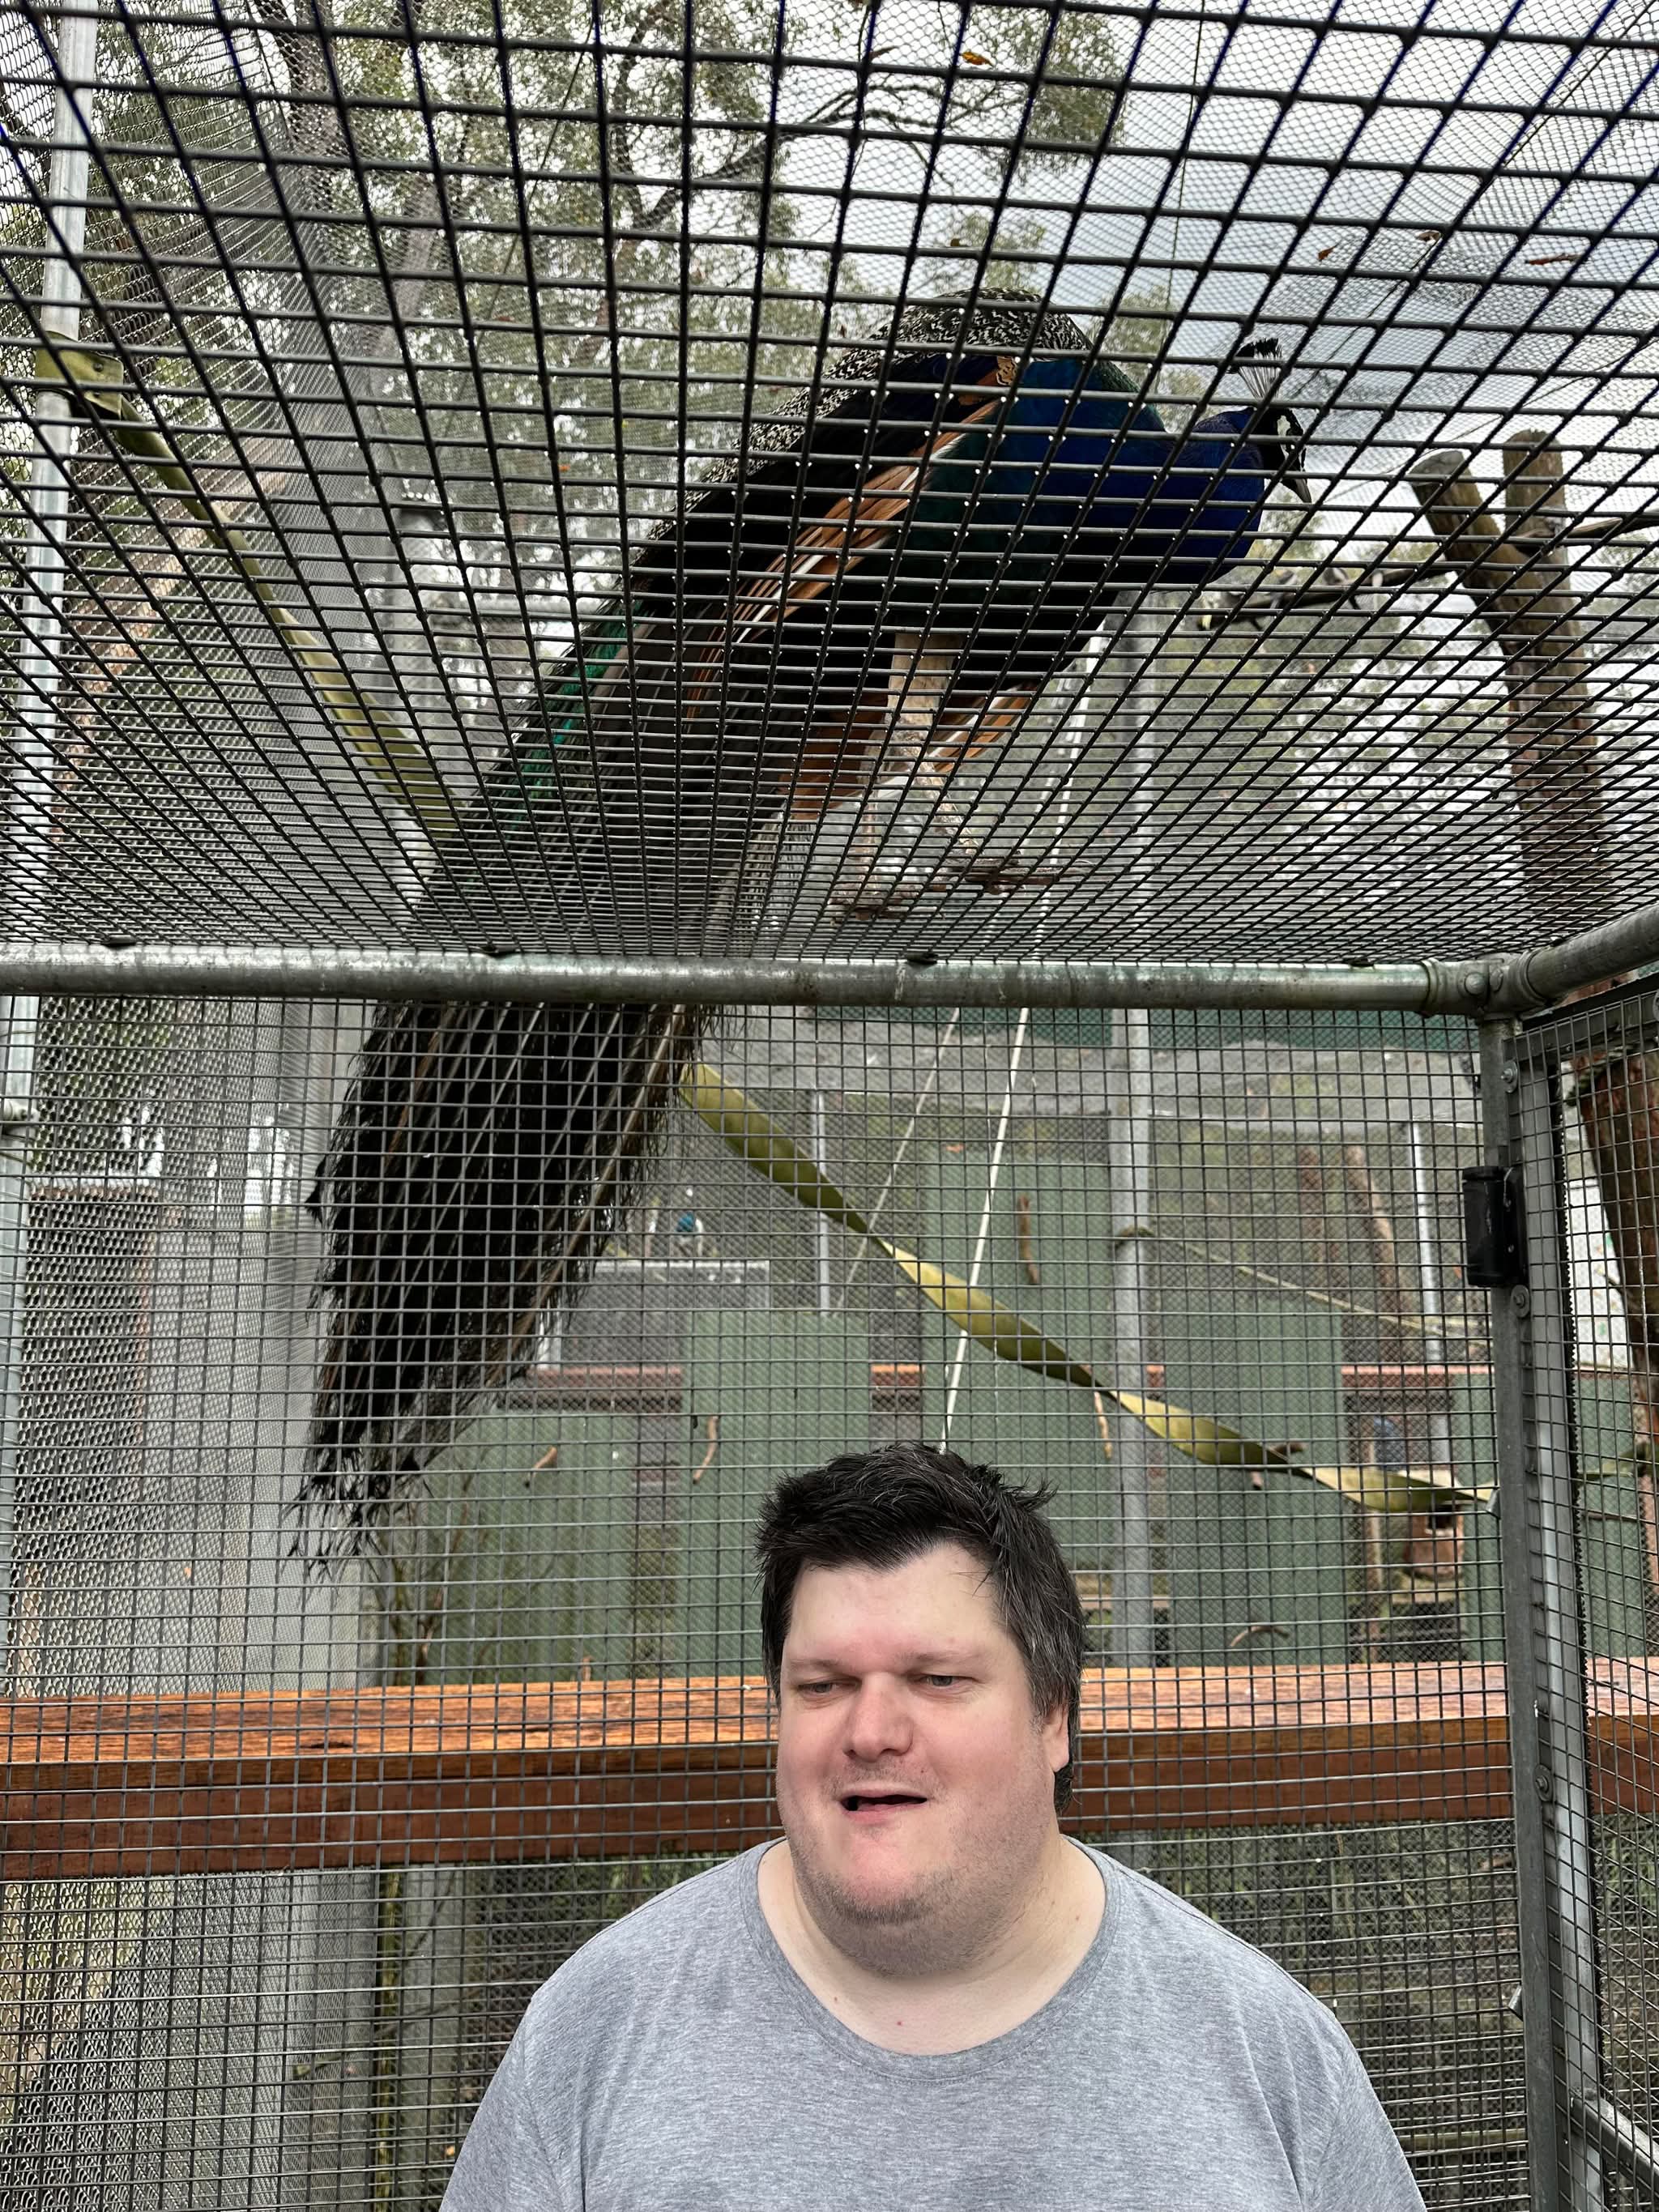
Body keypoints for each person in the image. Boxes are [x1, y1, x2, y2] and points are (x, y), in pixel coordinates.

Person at [442, 1443, 1426, 2210]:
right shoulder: (598, 2029)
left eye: (937, 1678)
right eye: (822, 1685)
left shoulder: (1262, 2053)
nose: (870, 1730)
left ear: (1051, 1713)